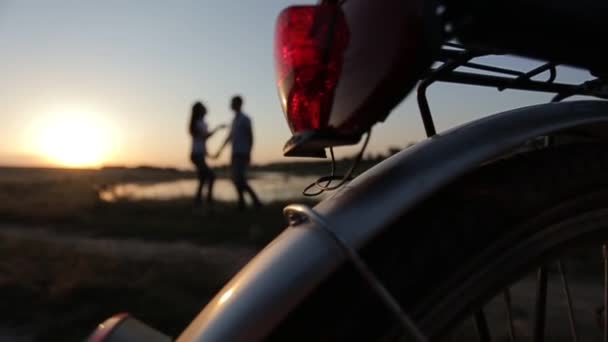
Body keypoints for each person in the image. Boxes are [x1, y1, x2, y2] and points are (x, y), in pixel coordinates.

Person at [215, 95, 262, 210]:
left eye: (232, 102)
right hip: (235, 153)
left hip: (243, 153)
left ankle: (255, 202)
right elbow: (229, 137)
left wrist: (249, 153)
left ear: (238, 104)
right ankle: (243, 203)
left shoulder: (245, 119)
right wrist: (219, 151)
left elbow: (251, 136)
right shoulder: (234, 121)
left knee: (239, 179)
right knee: (236, 179)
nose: (230, 105)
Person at [189, 101, 225, 207]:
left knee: (203, 179)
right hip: (197, 155)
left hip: (199, 155)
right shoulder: (197, 123)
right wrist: (218, 128)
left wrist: (209, 155)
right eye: (203, 107)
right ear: (200, 110)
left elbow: (202, 142)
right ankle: (208, 201)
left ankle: (198, 202)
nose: (205, 108)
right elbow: (205, 137)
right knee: (211, 176)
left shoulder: (201, 123)